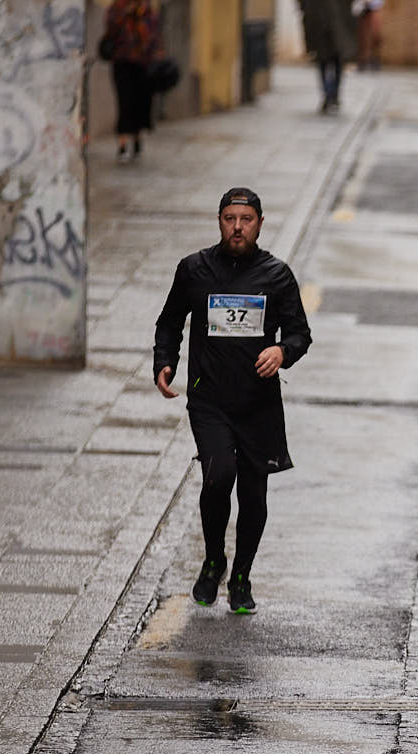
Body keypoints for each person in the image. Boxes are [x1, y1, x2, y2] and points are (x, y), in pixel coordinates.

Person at [153, 188, 313, 614]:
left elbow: (300, 333)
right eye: (229, 218)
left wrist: (282, 352)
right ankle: (213, 559)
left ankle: (240, 575)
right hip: (210, 401)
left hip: (258, 404)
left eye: (245, 218)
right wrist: (164, 362)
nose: (237, 226)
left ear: (260, 222)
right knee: (218, 476)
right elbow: (169, 322)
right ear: (219, 221)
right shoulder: (194, 270)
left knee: (254, 496)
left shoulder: (277, 275)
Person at [104, 0, 161, 163]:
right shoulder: (117, 8)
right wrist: (126, 14)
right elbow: (110, 31)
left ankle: (137, 139)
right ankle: (122, 144)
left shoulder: (147, 9)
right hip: (122, 62)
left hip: (143, 64)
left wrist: (157, 55)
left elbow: (154, 35)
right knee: (124, 101)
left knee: (140, 103)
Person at [298, 0, 358, 113]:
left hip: (327, 26)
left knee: (327, 63)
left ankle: (330, 95)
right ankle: (331, 95)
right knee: (331, 63)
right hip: (331, 26)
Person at [355, 0, 383, 71]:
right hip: (362, 8)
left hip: (374, 7)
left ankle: (375, 59)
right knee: (363, 36)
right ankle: (362, 60)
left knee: (375, 34)